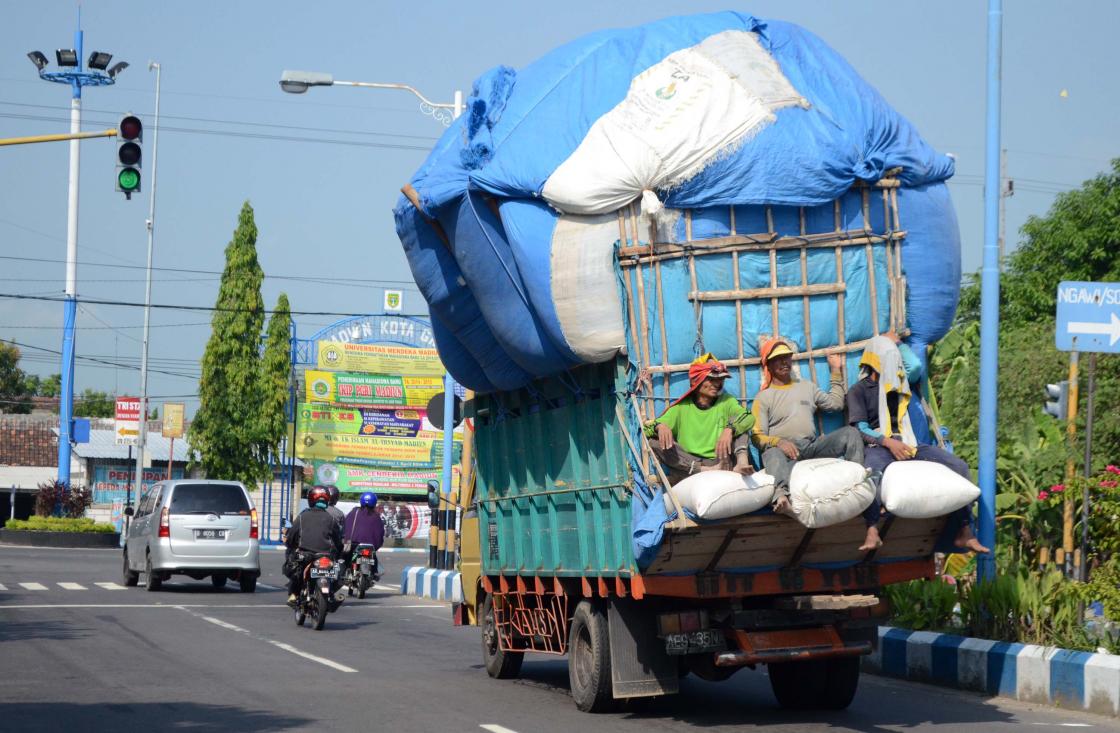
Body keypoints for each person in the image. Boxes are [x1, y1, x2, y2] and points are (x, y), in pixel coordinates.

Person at [847, 333, 989, 554]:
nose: (895, 366)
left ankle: (965, 530)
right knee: (871, 475)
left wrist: (898, 343)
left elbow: (914, 366)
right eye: (889, 360)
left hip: (909, 442)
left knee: (959, 467)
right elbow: (860, 428)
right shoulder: (859, 391)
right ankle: (872, 529)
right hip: (879, 445)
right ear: (875, 361)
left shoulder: (899, 383)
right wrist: (888, 443)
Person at [750, 339, 865, 530]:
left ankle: (858, 483)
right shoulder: (763, 397)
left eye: (787, 358)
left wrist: (835, 372)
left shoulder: (807, 387)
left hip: (811, 447)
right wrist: (778, 442)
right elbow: (757, 436)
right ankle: (781, 497)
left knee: (851, 434)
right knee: (770, 453)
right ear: (768, 365)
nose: (784, 362)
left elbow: (836, 405)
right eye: (778, 359)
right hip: (783, 453)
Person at [643, 354, 755, 485]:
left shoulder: (726, 401)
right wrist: (660, 427)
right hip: (692, 464)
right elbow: (648, 429)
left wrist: (730, 429)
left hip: (720, 460)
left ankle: (741, 464)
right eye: (711, 379)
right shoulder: (682, 407)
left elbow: (749, 417)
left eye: (720, 380)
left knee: (741, 424)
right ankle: (705, 470)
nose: (717, 384)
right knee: (654, 441)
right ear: (697, 380)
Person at [284, 486, 343, 606]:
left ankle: (294, 595)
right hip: (326, 556)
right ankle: (331, 595)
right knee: (337, 571)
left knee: (294, 569)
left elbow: (291, 536)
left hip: (306, 555)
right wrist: (337, 554)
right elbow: (338, 540)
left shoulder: (302, 517)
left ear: (310, 499)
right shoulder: (332, 519)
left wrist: (290, 544)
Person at [343, 492, 386, 577]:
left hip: (354, 545)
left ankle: (344, 574)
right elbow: (380, 535)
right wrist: (375, 546)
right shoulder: (376, 517)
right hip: (370, 547)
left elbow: (345, 528)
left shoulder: (354, 512)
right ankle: (373, 574)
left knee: (344, 561)